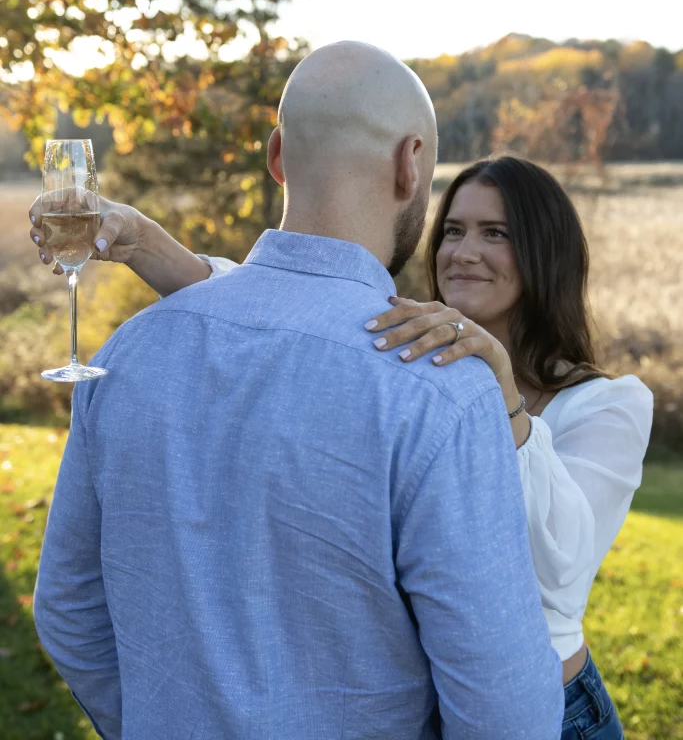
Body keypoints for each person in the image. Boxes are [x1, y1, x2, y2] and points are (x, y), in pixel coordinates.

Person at [32, 42, 564, 740]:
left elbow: (67, 612)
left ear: (277, 155)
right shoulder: (439, 388)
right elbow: (505, 712)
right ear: (410, 165)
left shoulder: (127, 353)